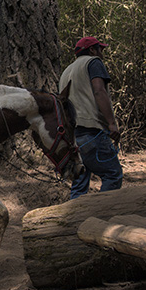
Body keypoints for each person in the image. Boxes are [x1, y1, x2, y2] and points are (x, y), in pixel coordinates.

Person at [59, 36, 123, 199]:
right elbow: (99, 91)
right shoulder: (93, 63)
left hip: (73, 137)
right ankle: (102, 216)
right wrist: (111, 123)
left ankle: (75, 220)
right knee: (112, 175)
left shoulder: (67, 71)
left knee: (79, 184)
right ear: (92, 50)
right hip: (92, 132)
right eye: (100, 49)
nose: (102, 53)